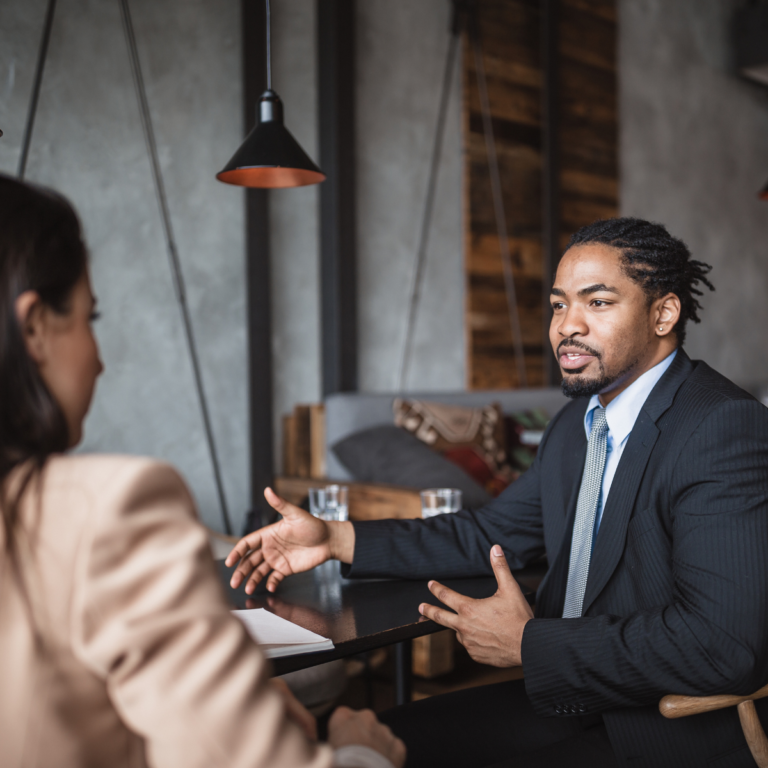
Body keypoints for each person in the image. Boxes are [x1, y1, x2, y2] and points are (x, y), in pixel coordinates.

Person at [227, 217, 768, 768]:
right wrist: (335, 539)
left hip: (667, 732)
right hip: (573, 699)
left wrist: (530, 644)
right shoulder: (578, 424)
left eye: (597, 303)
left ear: (663, 313)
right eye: (558, 305)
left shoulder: (722, 427)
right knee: (366, 745)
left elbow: (724, 646)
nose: (567, 327)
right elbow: (490, 532)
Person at [0, 174, 405, 768]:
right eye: (92, 318)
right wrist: (357, 752)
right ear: (34, 327)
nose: (100, 358)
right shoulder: (109, 509)